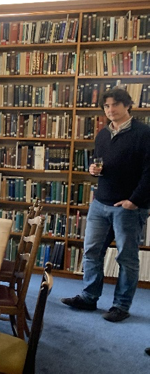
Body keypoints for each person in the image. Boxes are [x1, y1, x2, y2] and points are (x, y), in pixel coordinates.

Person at [61, 88, 150, 322]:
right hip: (100, 203)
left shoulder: (144, 133)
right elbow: (100, 164)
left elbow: (149, 172)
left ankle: (121, 305)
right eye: (107, 106)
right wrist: (93, 171)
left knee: (127, 258)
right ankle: (89, 297)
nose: (111, 110)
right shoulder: (102, 134)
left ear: (128, 105)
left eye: (115, 105)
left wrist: (134, 200)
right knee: (91, 252)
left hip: (127, 207)